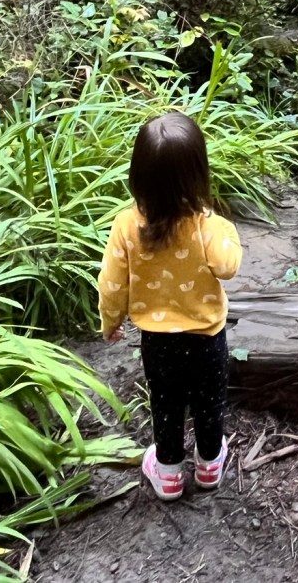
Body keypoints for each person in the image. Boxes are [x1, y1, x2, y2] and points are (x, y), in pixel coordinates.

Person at [98, 112, 242, 501]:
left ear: (139, 174)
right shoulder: (205, 225)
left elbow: (112, 283)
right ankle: (210, 466)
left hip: (158, 341)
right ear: (198, 173)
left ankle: (169, 474)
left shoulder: (127, 224)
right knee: (210, 402)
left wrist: (110, 321)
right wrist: (222, 226)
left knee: (166, 404)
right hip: (207, 337)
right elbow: (228, 266)